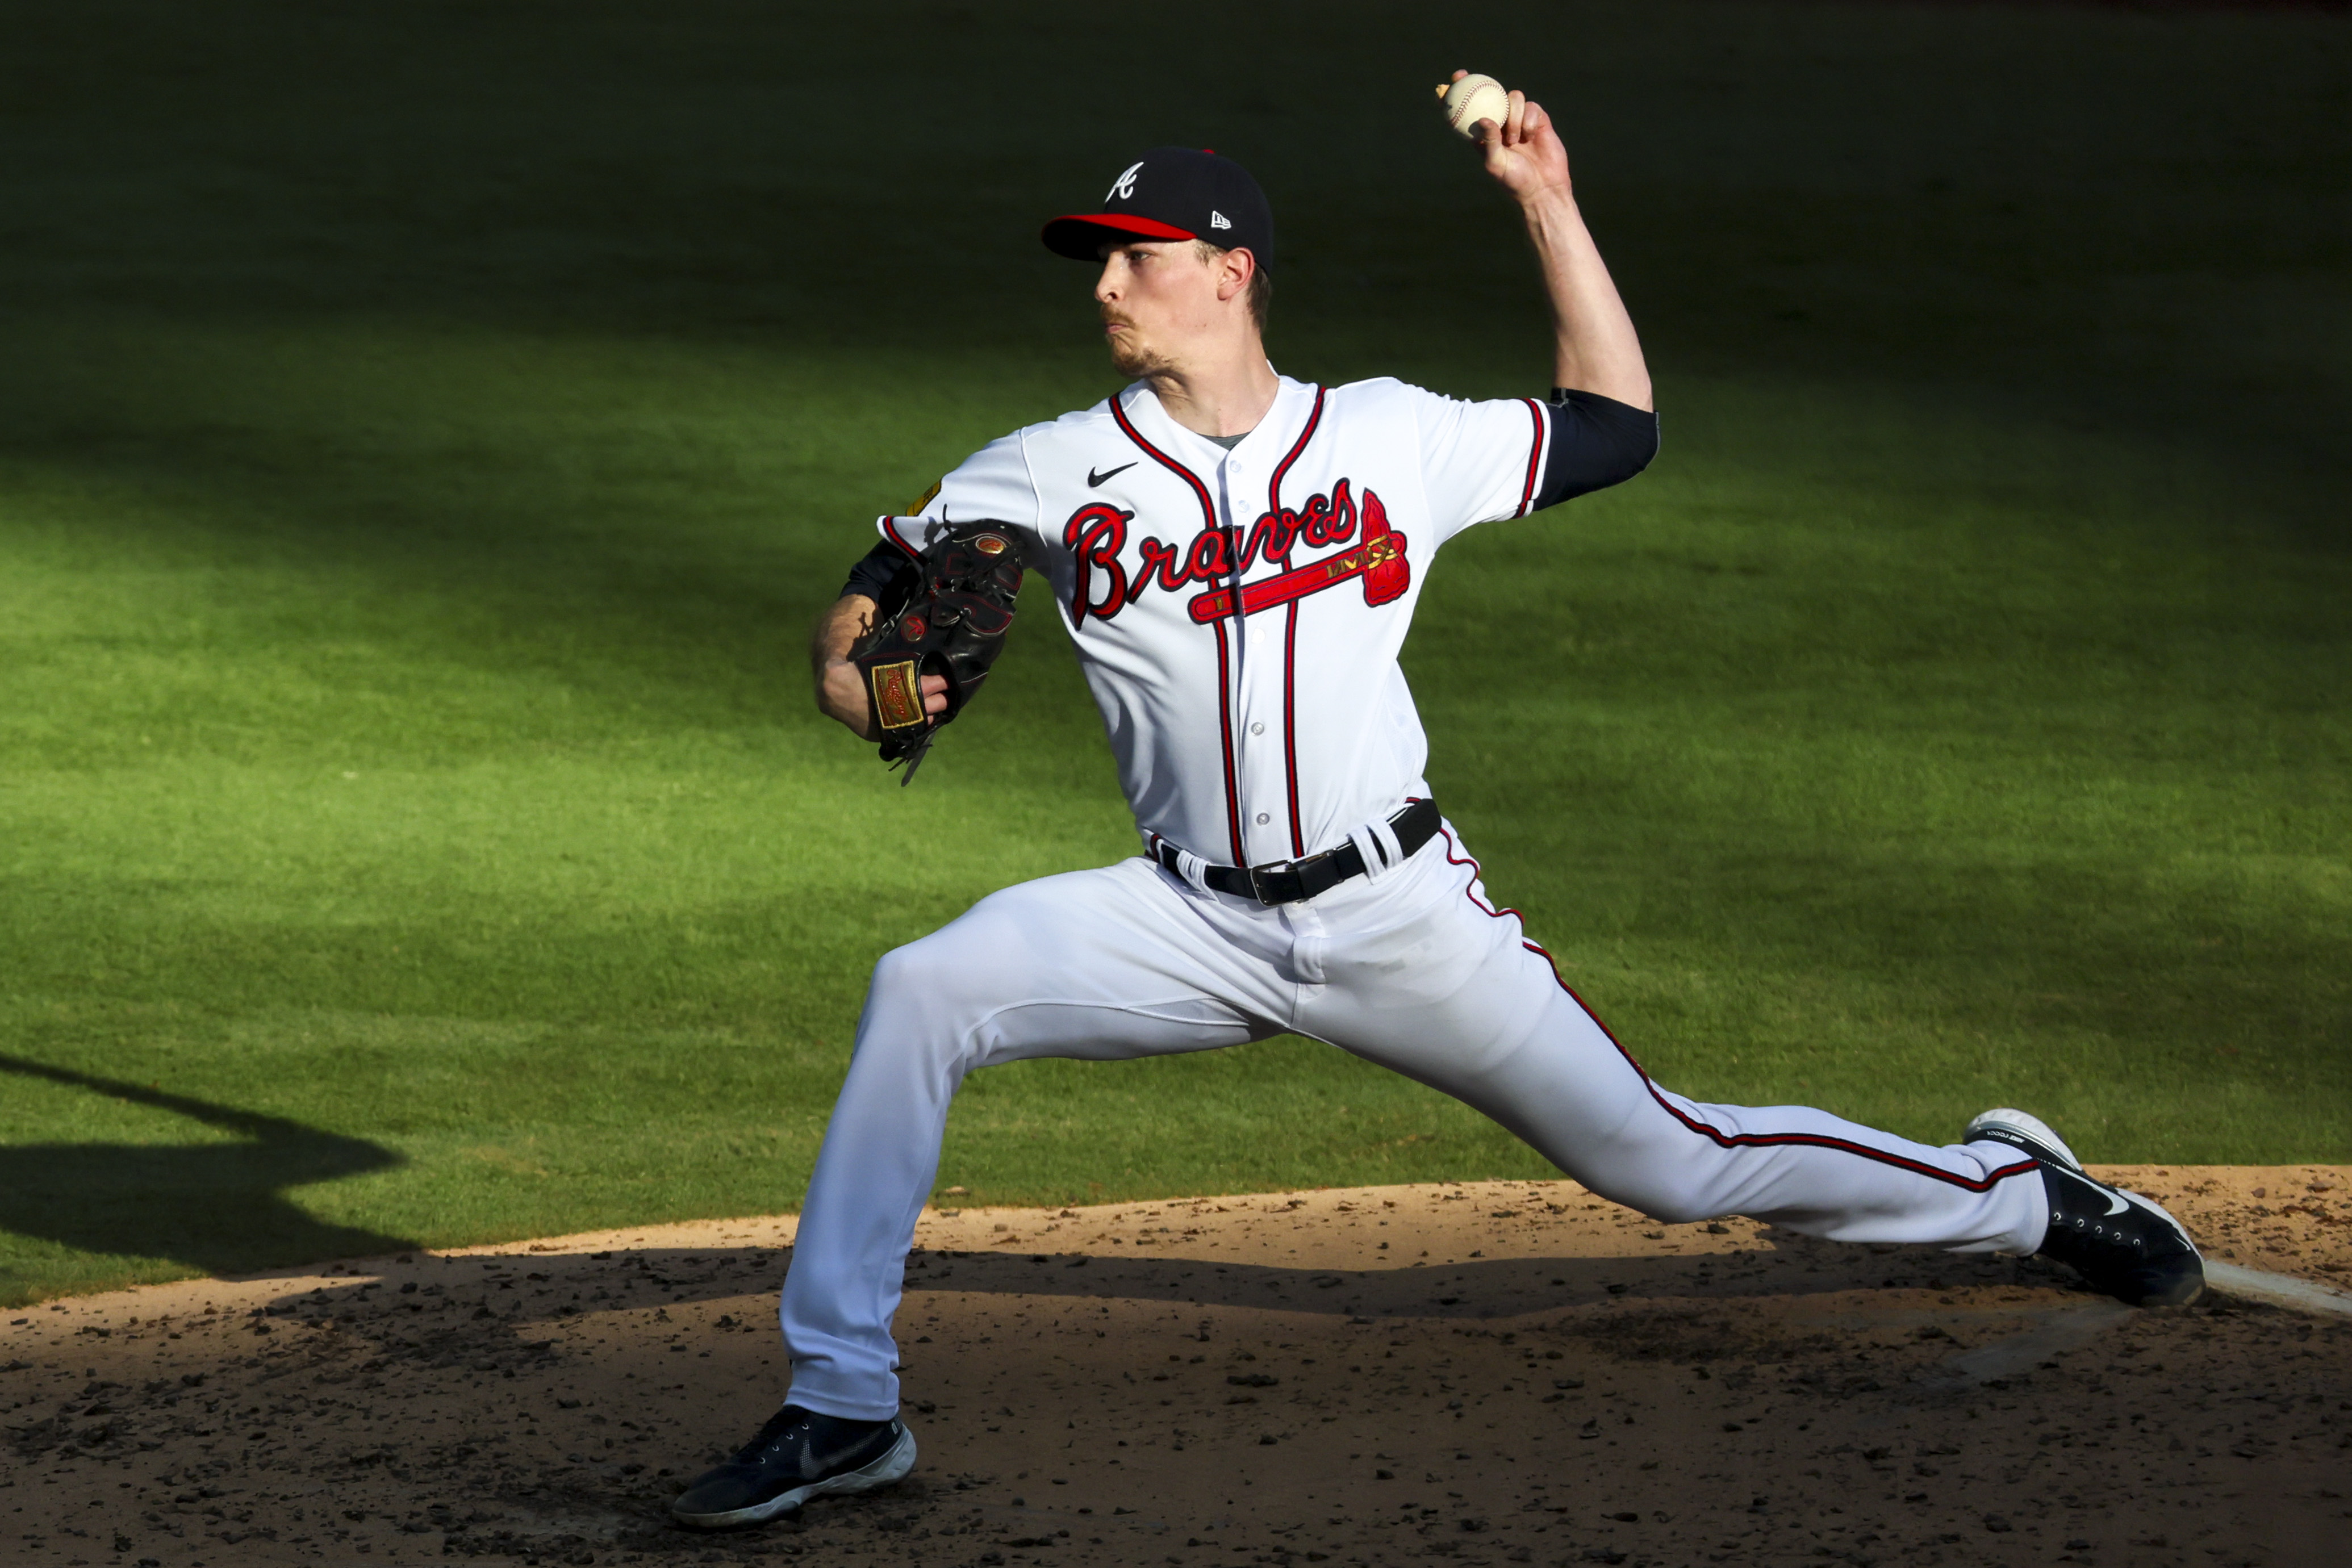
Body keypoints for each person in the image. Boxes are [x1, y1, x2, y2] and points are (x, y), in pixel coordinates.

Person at [669, 78, 2203, 1531]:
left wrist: (1546, 197)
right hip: (1185, 919)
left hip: (1402, 914)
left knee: (1672, 1159)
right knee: (926, 985)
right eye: (1099, 263)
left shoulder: (1390, 436)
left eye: (1130, 259)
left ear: (1228, 270)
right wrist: (857, 674)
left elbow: (1618, 423)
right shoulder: (1043, 467)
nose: (1104, 288)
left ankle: (2027, 1197)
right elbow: (863, 616)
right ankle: (843, 1400)